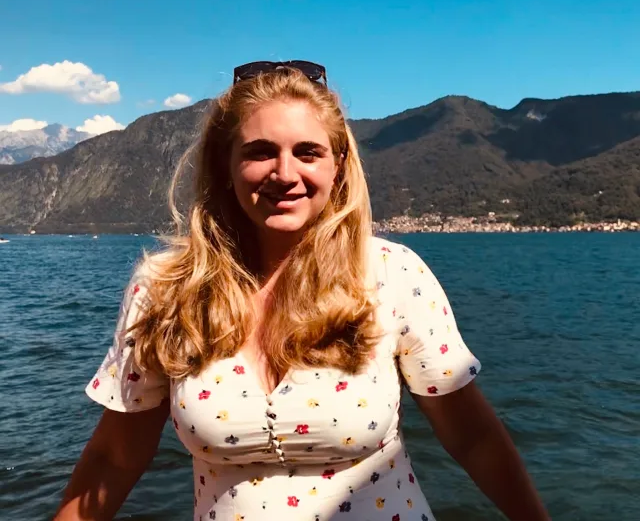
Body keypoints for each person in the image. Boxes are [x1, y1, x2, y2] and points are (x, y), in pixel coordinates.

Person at [55, 61, 548, 521]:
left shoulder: (393, 274)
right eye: (259, 152)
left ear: (337, 167)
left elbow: (473, 437)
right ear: (225, 166)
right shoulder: (166, 289)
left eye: (307, 152)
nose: (285, 174)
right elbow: (113, 460)